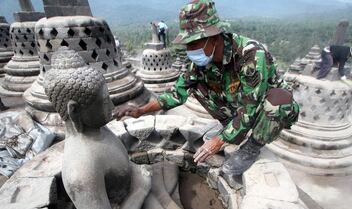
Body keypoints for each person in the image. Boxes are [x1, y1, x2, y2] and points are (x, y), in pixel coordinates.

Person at [114, 0, 299, 176]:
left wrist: (218, 142)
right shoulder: (201, 63)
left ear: (215, 37)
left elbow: (250, 109)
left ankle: (253, 145)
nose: (190, 49)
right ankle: (230, 126)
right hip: (239, 105)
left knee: (278, 100)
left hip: (264, 108)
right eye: (188, 44)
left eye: (194, 43)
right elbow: (177, 93)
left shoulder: (251, 55)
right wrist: (141, 110)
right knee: (197, 85)